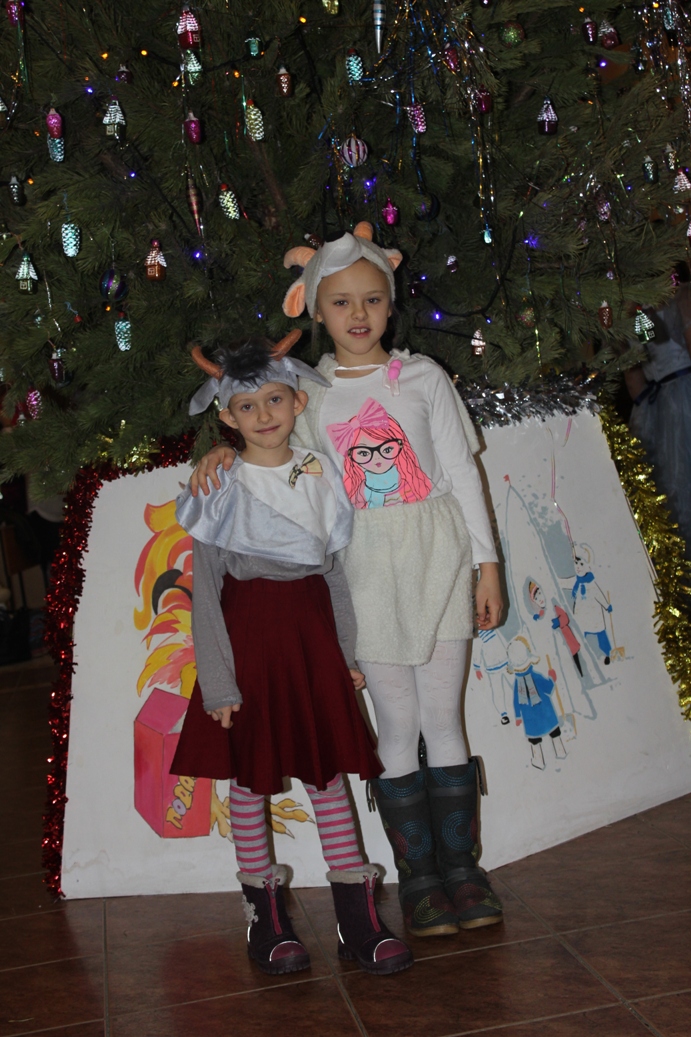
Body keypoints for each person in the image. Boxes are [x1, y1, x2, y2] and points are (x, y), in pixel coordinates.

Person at [190, 222, 504, 939]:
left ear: (391, 302)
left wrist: (486, 565)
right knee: (395, 724)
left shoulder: (424, 377)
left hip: (437, 556)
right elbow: (269, 450)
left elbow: (462, 474)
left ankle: (463, 870)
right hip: (363, 568)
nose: (357, 314)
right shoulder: (307, 389)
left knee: (443, 719)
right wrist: (218, 450)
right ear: (313, 309)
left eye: (371, 299)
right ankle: (418, 880)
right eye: (340, 302)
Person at [172, 330, 413, 977]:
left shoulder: (317, 473)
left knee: (327, 775)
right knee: (250, 780)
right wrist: (219, 683)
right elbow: (206, 593)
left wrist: (345, 653)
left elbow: (334, 573)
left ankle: (357, 921)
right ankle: (266, 918)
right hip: (248, 646)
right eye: (246, 406)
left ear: (297, 401)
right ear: (227, 417)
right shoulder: (217, 484)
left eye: (275, 399)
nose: (263, 414)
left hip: (310, 645)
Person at [624, 267, 691, 558]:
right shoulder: (679, 296)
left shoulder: (626, 310)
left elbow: (633, 378)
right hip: (677, 397)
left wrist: (645, 408)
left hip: (658, 401)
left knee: (669, 485)